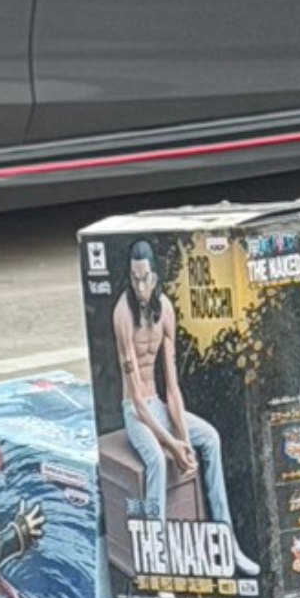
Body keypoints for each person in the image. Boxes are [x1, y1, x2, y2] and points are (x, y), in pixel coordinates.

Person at [112, 240, 249, 574]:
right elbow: (137, 400)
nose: (139, 287)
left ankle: (227, 541)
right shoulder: (122, 314)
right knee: (157, 461)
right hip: (136, 411)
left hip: (158, 405)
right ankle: (156, 560)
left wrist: (185, 439)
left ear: (155, 277)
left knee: (210, 438)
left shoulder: (165, 310)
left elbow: (172, 387)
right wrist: (172, 445)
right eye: (134, 279)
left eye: (145, 279)